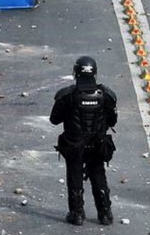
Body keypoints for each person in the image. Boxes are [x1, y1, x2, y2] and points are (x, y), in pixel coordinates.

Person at [50, 56, 117, 226]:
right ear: (95, 72)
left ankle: (77, 214)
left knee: (75, 177)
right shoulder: (107, 95)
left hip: (74, 145)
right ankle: (105, 214)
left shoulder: (67, 95)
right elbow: (113, 121)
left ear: (75, 72)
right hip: (97, 144)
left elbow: (54, 119)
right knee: (98, 175)